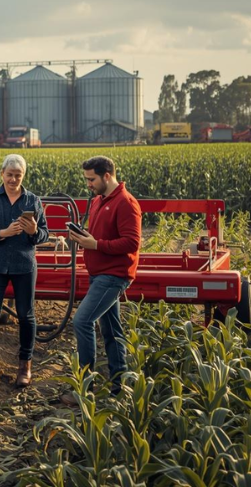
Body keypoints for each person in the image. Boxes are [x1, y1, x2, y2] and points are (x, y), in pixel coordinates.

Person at [63, 156, 141, 403]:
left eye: (91, 179)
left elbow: (132, 242)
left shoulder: (126, 203)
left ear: (106, 176)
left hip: (114, 275)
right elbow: (100, 236)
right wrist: (83, 237)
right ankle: (120, 386)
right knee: (111, 330)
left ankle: (85, 389)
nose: (88, 184)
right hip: (99, 274)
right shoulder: (99, 201)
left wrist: (94, 243)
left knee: (82, 321)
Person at [0, 154, 49, 387]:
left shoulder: (32, 200)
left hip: (24, 265)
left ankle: (25, 365)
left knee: (26, 315)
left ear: (23, 176)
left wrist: (34, 230)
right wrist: (2, 233)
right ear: (2, 174)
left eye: (18, 175)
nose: (13, 179)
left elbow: (44, 234)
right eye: (10, 175)